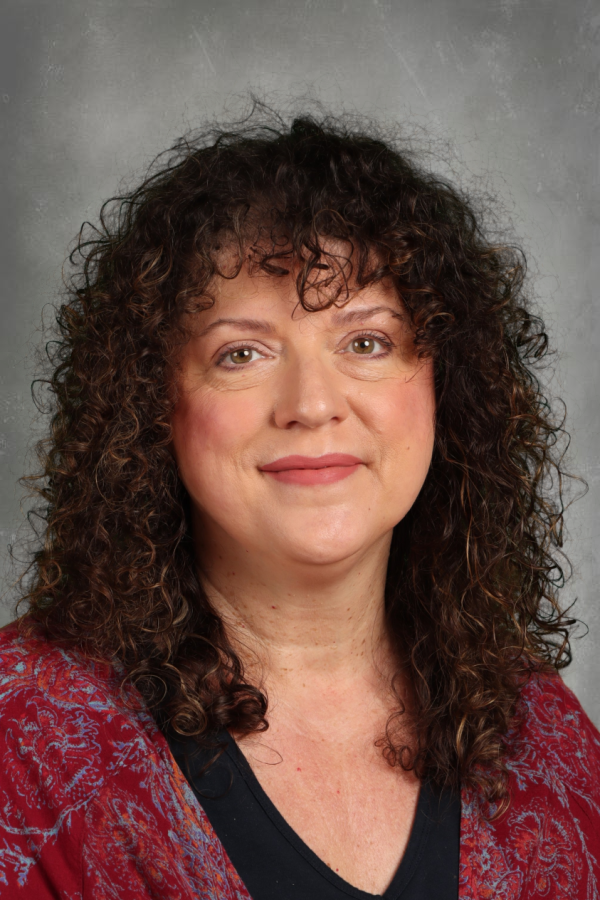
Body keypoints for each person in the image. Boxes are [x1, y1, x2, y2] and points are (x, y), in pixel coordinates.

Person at [0, 110, 598, 900]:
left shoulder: (547, 737)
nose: (313, 405)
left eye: (367, 342)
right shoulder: (23, 742)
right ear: (153, 404)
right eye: (241, 353)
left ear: (443, 387)